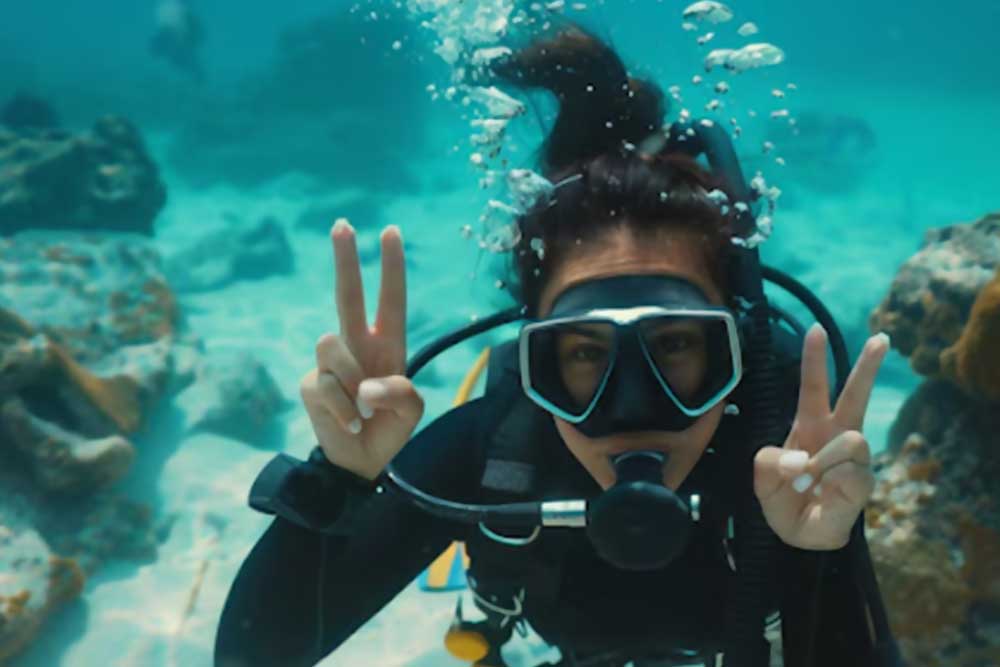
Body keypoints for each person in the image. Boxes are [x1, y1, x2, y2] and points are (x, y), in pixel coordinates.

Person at [214, 24, 903, 667]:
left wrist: (823, 553)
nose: (634, 409)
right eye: (582, 353)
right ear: (532, 350)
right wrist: (338, 480)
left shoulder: (781, 455)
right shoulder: (497, 452)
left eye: (675, 346)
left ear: (735, 346)